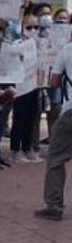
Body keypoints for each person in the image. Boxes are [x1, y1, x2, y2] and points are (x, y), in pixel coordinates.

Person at [38, 34, 72, 218]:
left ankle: (53, 204)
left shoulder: (67, 50)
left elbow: (55, 82)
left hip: (70, 111)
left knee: (56, 157)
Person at [6, 14, 43, 163]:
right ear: (22, 27)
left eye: (36, 27)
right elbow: (12, 56)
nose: (33, 30)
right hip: (21, 86)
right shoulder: (17, 43)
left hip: (35, 85)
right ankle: (15, 150)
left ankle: (27, 148)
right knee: (19, 118)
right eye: (29, 27)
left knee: (31, 118)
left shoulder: (40, 44)